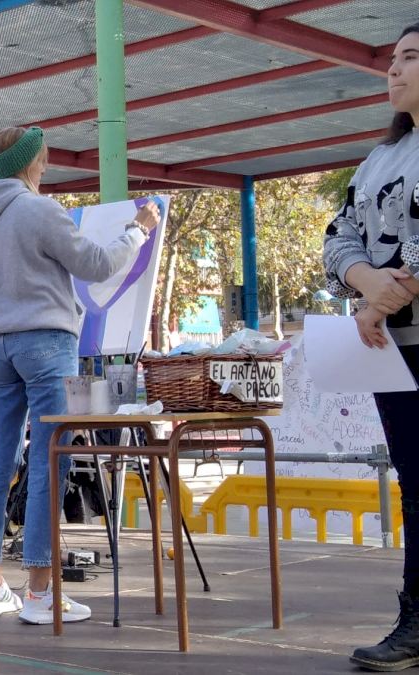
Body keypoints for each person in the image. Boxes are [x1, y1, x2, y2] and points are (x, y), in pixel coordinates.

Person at [0, 125, 158, 623]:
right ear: (30, 164)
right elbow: (97, 265)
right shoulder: (39, 210)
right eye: (43, 160)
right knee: (50, 460)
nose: (46, 168)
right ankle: (41, 592)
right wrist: (138, 229)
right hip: (47, 342)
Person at [324, 23, 419, 672]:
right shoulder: (377, 161)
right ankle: (416, 618)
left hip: (387, 325)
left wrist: (385, 296)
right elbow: (338, 235)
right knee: (416, 483)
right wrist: (364, 283)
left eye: (411, 57)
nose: (395, 69)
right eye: (392, 59)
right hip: (394, 349)